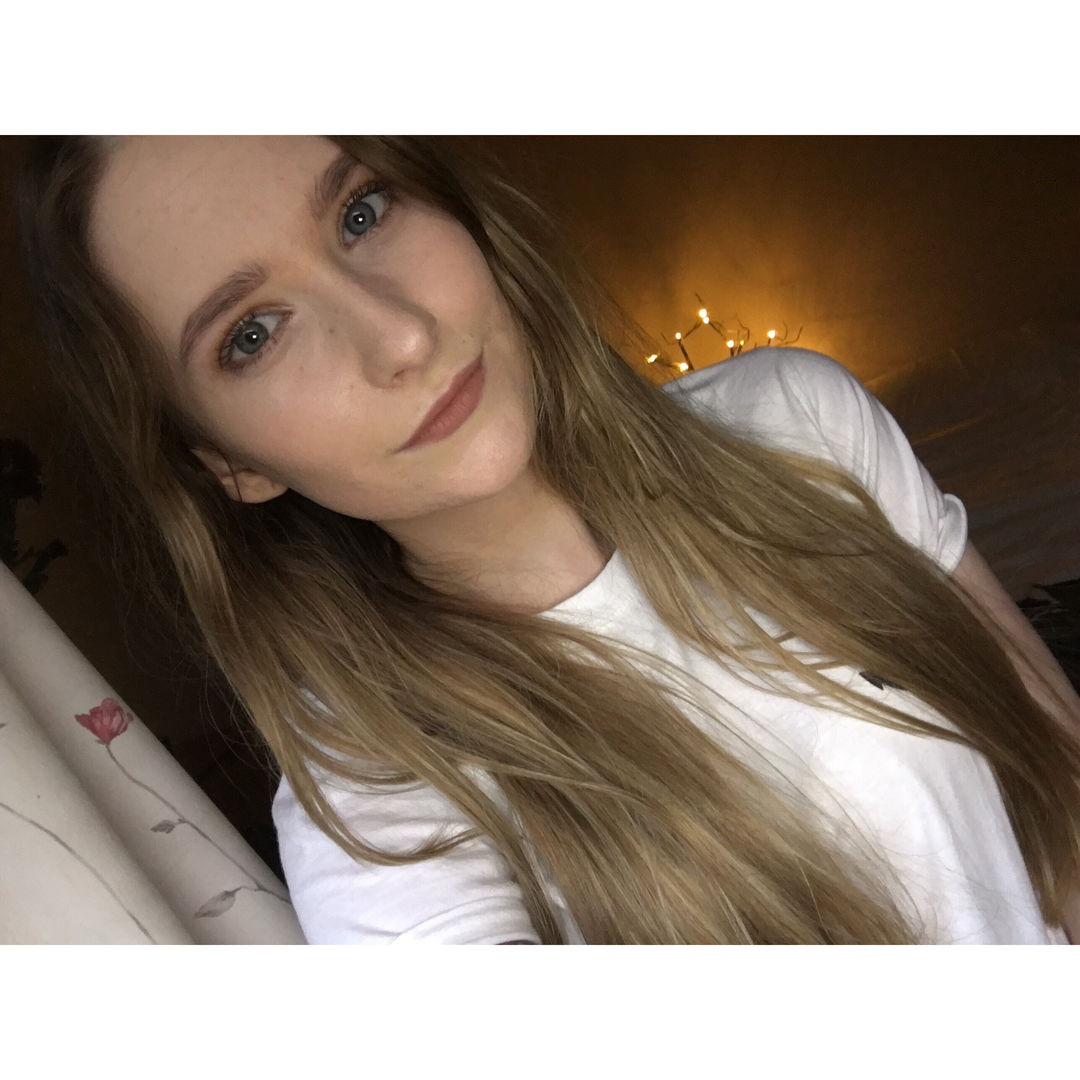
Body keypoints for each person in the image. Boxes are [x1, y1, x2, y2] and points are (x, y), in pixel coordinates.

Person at [15, 135, 1080, 944]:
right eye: (252, 333)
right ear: (230, 465)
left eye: (360, 212)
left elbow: (1057, 779)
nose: (401, 335)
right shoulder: (383, 818)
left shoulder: (797, 421)